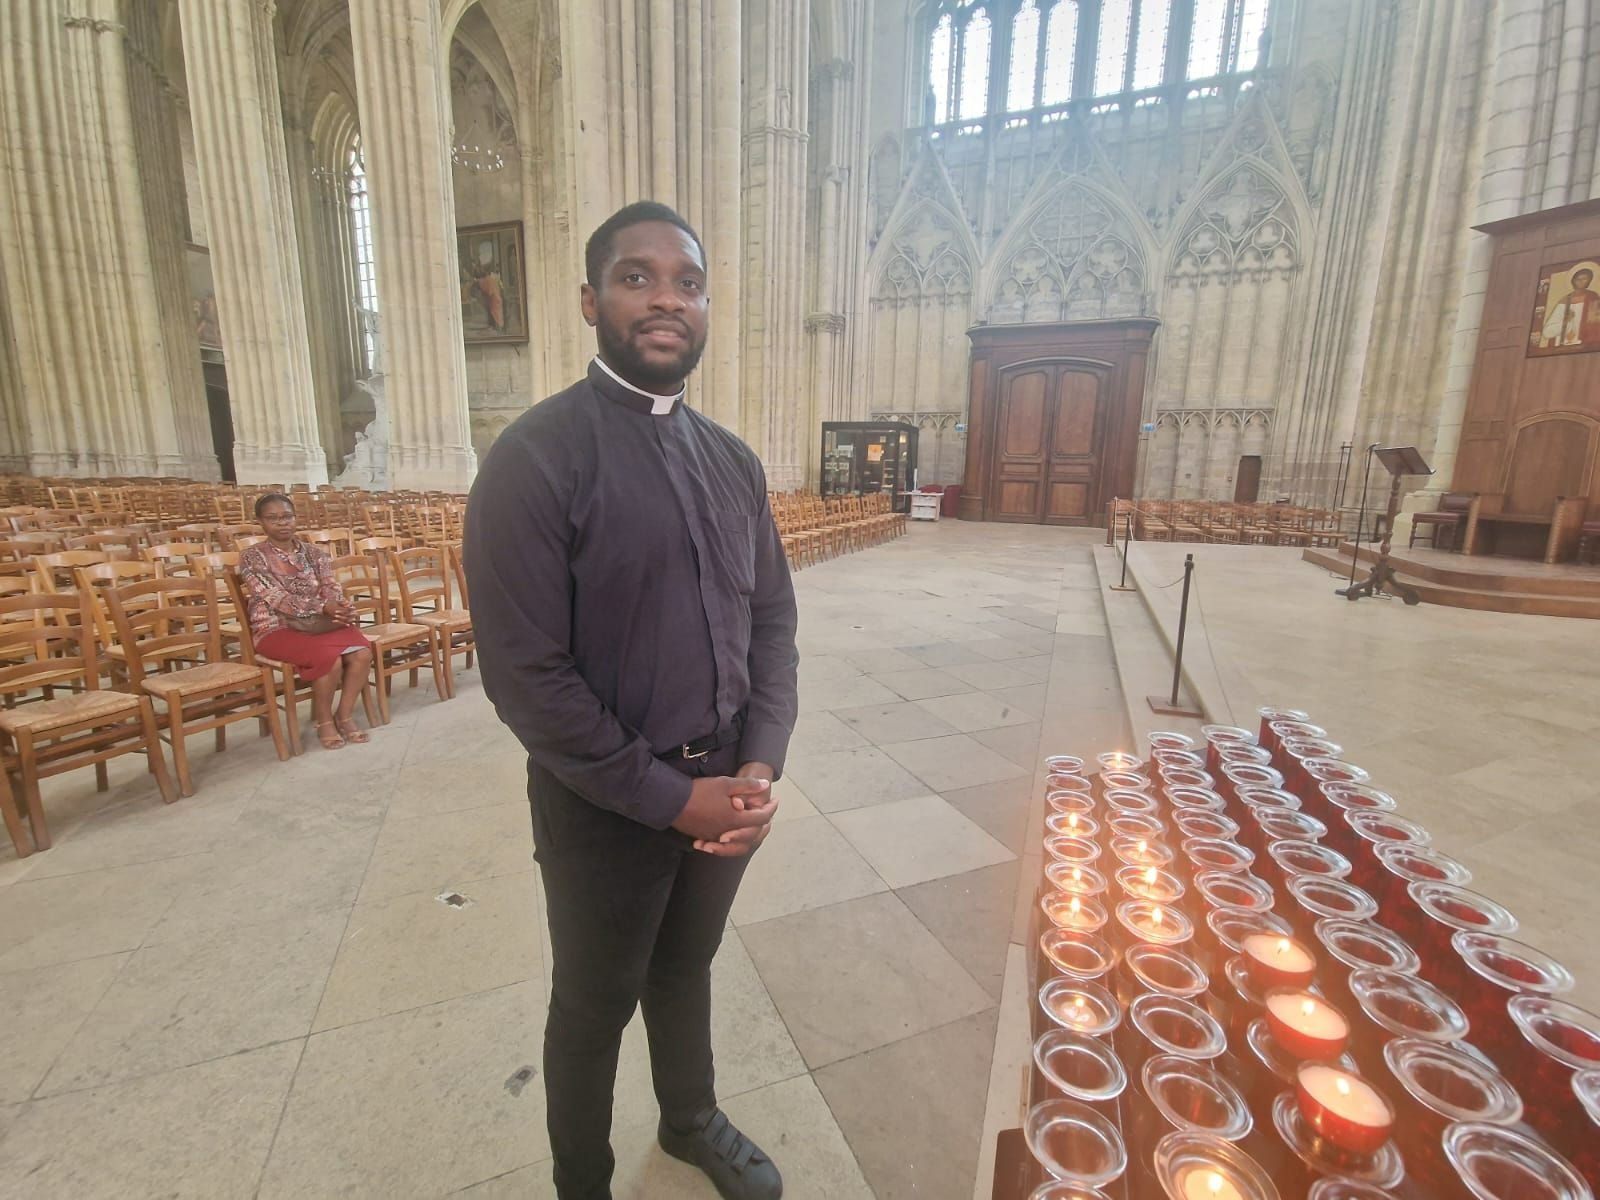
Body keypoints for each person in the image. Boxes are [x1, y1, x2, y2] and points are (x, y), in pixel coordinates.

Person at [466, 201, 798, 1200]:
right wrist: (667, 797)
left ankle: (690, 1119)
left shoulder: (733, 462)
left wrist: (758, 761)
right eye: (637, 276)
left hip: (728, 788)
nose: (665, 299)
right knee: (593, 1004)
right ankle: (582, 1183)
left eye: (686, 283)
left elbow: (771, 625)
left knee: (685, 964)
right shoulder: (534, 460)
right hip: (603, 804)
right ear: (589, 300)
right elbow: (526, 676)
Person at [237, 494, 374, 750]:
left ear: (295, 518)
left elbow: (330, 586)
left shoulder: (314, 553)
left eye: (287, 516)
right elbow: (276, 597)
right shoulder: (252, 557)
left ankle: (343, 715)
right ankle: (324, 721)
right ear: (260, 522)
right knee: (328, 659)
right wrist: (322, 607)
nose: (282, 523)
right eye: (273, 518)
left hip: (319, 624)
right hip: (275, 628)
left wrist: (339, 607)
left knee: (362, 652)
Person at [1540, 264, 1600, 348]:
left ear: (1589, 280)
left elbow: (1596, 323)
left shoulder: (1593, 297)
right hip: (1562, 345)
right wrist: (1565, 322)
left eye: (1584, 279)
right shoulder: (1564, 301)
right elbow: (1547, 332)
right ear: (1573, 281)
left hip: (1586, 345)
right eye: (1578, 279)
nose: (1581, 281)